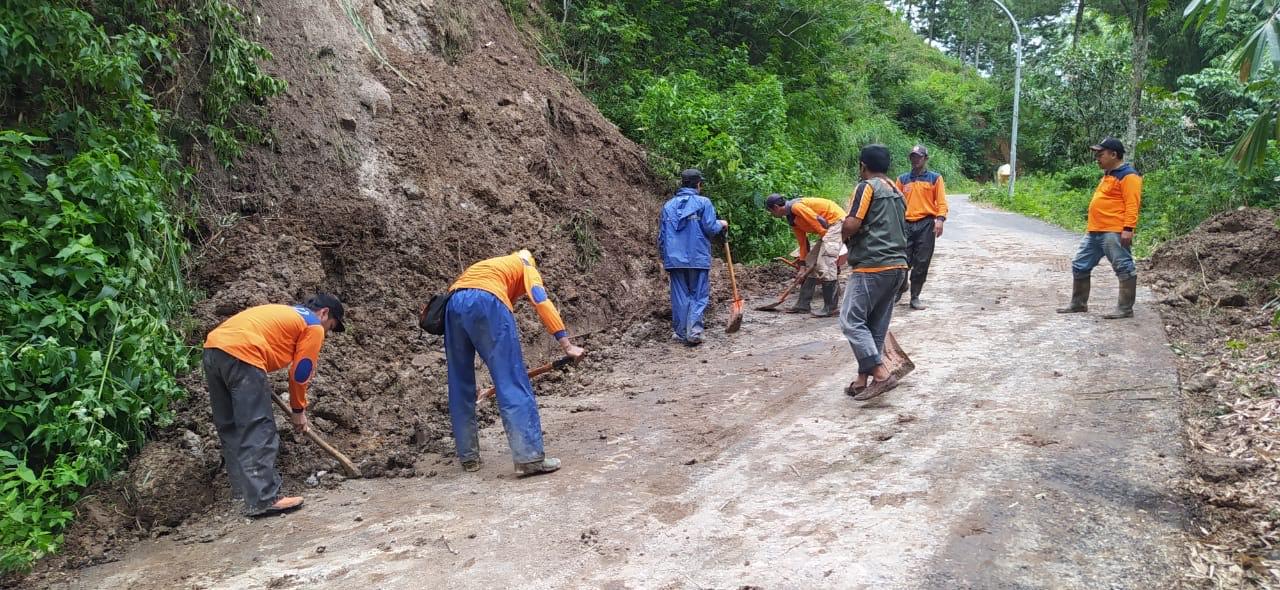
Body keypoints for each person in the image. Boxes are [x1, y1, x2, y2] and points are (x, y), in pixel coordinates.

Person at [202, 293, 346, 516]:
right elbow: (300, 373)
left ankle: (243, 493)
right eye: (331, 326)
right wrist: (298, 410)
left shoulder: (286, 314)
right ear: (324, 313)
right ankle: (263, 498)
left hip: (213, 349)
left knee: (229, 426)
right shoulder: (313, 325)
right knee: (258, 426)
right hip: (245, 353)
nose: (327, 332)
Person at [445, 249, 585, 475]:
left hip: (453, 304)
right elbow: (541, 300)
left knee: (460, 382)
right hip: (488, 300)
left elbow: (473, 315)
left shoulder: (492, 267)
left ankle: (468, 458)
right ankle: (529, 459)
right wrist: (567, 346)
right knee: (511, 379)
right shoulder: (526, 265)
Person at [840, 145, 909, 401]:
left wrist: (843, 230)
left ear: (862, 166)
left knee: (850, 321)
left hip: (872, 265)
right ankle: (862, 380)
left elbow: (853, 223)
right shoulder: (897, 192)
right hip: (898, 267)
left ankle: (880, 373)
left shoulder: (866, 187)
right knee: (874, 327)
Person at [1056, 137, 1142, 319]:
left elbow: (1132, 204)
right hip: (1095, 230)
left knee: (1123, 267)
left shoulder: (1129, 176)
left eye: (1100, 154)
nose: (1097, 158)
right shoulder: (1109, 174)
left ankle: (1125, 308)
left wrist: (1128, 228)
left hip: (1114, 230)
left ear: (1114, 154)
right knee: (1080, 265)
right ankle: (1078, 304)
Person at [658, 169, 728, 345]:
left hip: (674, 258)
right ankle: (694, 332)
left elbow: (662, 236)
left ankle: (681, 332)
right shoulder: (704, 202)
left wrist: (665, 256)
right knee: (698, 294)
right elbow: (711, 228)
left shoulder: (668, 206)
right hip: (697, 256)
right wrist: (722, 224)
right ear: (698, 184)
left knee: (679, 295)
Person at [765, 194, 846, 317]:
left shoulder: (796, 207)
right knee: (810, 262)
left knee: (824, 262)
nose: (772, 214)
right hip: (826, 229)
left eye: (771, 211)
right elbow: (803, 243)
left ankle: (831, 308)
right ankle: (803, 305)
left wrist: (829, 244)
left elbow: (819, 221)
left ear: (776, 207)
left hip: (835, 222)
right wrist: (802, 266)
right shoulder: (792, 219)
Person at [895, 145, 948, 310]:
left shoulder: (934, 178)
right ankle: (899, 288)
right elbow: (895, 203)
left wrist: (940, 219)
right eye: (913, 156)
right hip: (906, 224)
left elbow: (941, 202)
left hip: (926, 224)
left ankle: (915, 296)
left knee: (922, 261)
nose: (915, 159)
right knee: (901, 259)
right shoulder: (902, 180)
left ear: (925, 159)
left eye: (919, 156)